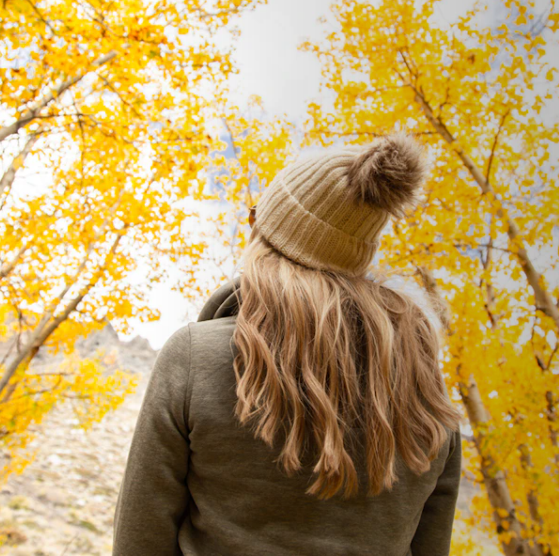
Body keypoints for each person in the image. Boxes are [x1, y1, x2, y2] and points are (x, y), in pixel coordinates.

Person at [113, 133, 464, 556]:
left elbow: (139, 541)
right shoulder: (426, 390)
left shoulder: (194, 358)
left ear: (266, 232)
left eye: (255, 216)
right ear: (355, 258)